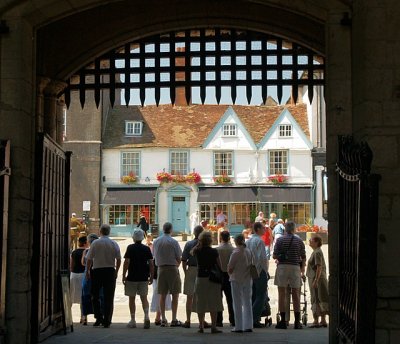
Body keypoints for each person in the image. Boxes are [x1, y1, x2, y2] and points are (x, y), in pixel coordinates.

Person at [86, 224, 121, 328]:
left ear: (100, 231)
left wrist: (88, 270)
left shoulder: (95, 243)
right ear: (109, 232)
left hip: (97, 271)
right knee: (108, 296)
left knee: (95, 296)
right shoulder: (114, 243)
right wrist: (116, 271)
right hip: (110, 270)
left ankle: (98, 317)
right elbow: (118, 259)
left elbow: (89, 259)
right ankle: (107, 320)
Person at [273, 221, 306, 329]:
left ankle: (283, 320)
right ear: (294, 229)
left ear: (285, 229)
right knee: (296, 294)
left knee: (282, 294)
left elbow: (274, 255)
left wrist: (281, 256)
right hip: (295, 267)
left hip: (282, 267)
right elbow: (303, 256)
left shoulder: (280, 240)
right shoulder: (299, 240)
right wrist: (302, 270)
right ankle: (297, 322)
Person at [191, 231, 223, 334]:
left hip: (200, 278)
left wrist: (199, 243)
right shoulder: (214, 251)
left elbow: (191, 252)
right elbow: (220, 265)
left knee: (200, 302)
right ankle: (213, 326)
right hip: (212, 278)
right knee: (214, 302)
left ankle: (201, 325)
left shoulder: (197, 251)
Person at [122, 229, 154, 329]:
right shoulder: (146, 249)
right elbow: (151, 264)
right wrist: (151, 276)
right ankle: (147, 316)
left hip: (132, 276)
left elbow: (126, 262)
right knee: (144, 298)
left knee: (132, 298)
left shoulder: (130, 248)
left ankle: (133, 320)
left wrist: (123, 275)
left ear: (134, 238)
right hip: (144, 276)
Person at [152, 222, 182, 327]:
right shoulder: (173, 241)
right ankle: (174, 319)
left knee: (162, 295)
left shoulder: (156, 241)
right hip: (172, 268)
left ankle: (163, 318)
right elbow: (179, 257)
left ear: (163, 229)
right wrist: (176, 266)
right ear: (171, 230)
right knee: (175, 294)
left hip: (160, 269)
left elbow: (153, 256)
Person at [228, 234, 253, 333]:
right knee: (247, 302)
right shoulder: (248, 251)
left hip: (236, 279)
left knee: (237, 303)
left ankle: (238, 326)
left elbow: (230, 268)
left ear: (236, 242)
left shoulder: (236, 252)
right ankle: (248, 325)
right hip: (247, 279)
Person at [181, 225, 204, 328]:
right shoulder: (204, 245)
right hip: (201, 270)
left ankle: (188, 319)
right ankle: (201, 321)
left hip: (191, 269)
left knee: (189, 297)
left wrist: (186, 272)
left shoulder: (189, 244)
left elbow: (184, 260)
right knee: (201, 297)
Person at [146, 234, 172, 325]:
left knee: (159, 293)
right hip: (160, 274)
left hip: (157, 274)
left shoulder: (155, 251)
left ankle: (158, 316)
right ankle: (158, 316)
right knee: (161, 294)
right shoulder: (165, 253)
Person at [246, 221, 268, 328]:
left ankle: (251, 318)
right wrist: (265, 271)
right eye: (263, 228)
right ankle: (254, 319)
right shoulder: (259, 241)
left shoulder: (249, 241)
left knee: (253, 295)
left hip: (250, 270)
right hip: (259, 270)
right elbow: (262, 258)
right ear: (258, 229)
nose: (265, 229)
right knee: (261, 295)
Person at [306, 235, 329, 328]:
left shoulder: (317, 252)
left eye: (311, 240)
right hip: (318, 278)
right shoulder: (316, 252)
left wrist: (316, 280)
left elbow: (319, 267)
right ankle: (323, 320)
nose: (309, 241)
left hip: (317, 279)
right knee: (321, 298)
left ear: (316, 242)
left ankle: (316, 320)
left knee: (316, 298)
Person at [216, 231, 234, 327]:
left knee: (219, 299)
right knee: (230, 299)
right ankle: (233, 319)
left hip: (219, 274)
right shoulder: (233, 249)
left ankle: (219, 320)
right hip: (229, 275)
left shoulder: (217, 249)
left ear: (221, 238)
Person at [70, 236, 87, 324]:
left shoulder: (74, 252)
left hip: (73, 275)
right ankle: (83, 317)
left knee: (71, 296)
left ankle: (68, 317)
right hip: (82, 275)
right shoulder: (87, 252)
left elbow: (71, 265)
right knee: (82, 297)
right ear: (85, 243)